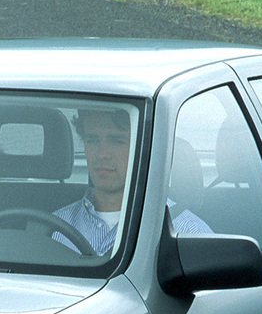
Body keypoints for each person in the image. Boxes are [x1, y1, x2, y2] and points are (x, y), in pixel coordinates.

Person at [53, 107, 210, 254]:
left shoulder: (188, 234)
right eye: (92, 140)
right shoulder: (53, 229)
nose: (102, 154)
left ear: (146, 148)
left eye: (117, 141)